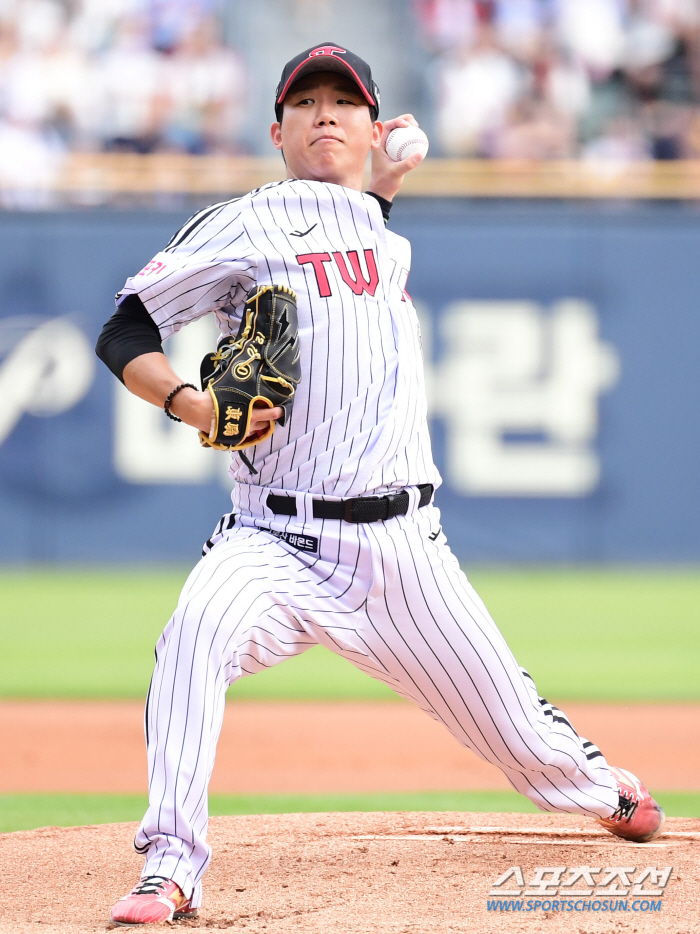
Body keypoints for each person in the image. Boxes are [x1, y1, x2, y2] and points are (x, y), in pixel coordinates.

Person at [96, 42, 664, 927]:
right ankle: (169, 867)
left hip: (403, 553)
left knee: (518, 733)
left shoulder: (373, 223)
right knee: (193, 635)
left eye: (345, 102)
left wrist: (389, 181)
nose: (326, 113)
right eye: (306, 102)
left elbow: (357, 220)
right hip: (272, 539)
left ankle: (602, 788)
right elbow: (125, 328)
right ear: (277, 131)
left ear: (370, 125)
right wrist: (188, 404)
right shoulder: (248, 221)